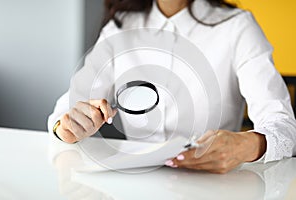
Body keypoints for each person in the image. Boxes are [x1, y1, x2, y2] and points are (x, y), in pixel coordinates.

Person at [48, 0, 296, 174]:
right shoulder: (121, 26)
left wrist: (247, 146)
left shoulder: (237, 26)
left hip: (215, 185)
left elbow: (283, 126)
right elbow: (64, 111)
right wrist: (68, 126)